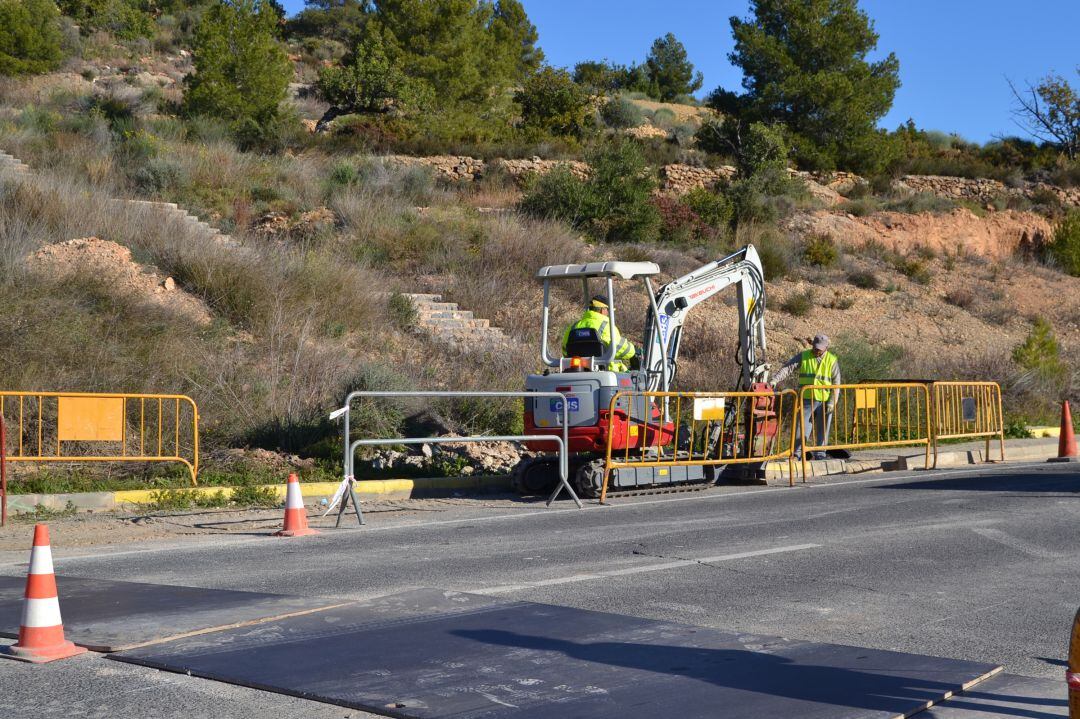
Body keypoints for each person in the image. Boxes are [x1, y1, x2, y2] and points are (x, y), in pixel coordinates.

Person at [772, 333, 841, 460]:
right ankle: (797, 454)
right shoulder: (804, 356)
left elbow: (836, 383)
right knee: (801, 427)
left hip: (825, 400)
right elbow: (787, 368)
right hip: (807, 399)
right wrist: (775, 380)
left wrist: (832, 402)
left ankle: (820, 454)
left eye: (819, 349)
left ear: (826, 348)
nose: (817, 351)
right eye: (815, 348)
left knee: (823, 428)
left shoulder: (832, 360)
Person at [562, 294, 636, 372]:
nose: (608, 313)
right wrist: (632, 348)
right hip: (607, 371)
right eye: (608, 310)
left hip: (577, 371)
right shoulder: (607, 327)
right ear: (602, 310)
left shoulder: (572, 327)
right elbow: (626, 351)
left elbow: (565, 351)